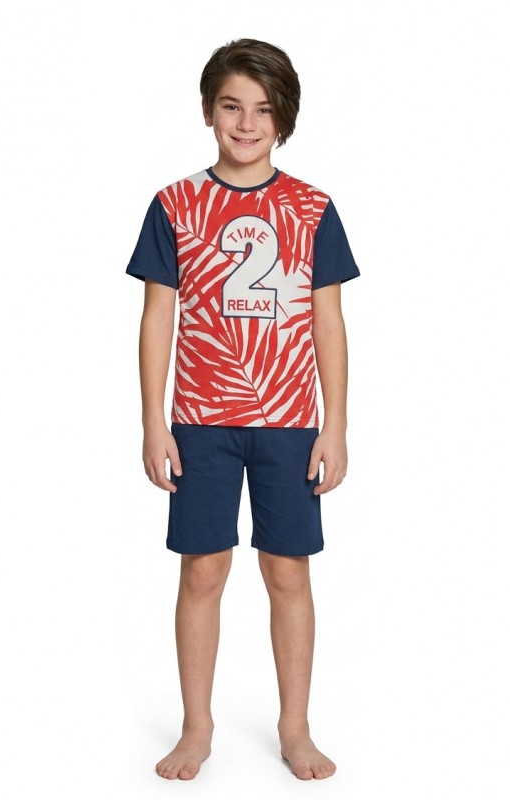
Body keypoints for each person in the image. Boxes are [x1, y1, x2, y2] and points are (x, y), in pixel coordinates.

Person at [125, 37, 360, 781]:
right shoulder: (174, 205)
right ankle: (197, 727)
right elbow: (157, 318)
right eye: (231, 106)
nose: (246, 123)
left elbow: (328, 322)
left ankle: (295, 727)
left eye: (262, 109)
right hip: (201, 421)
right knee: (202, 570)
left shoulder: (312, 209)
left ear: (283, 117)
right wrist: (153, 421)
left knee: (288, 571)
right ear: (207, 111)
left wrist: (335, 426)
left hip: (290, 422)